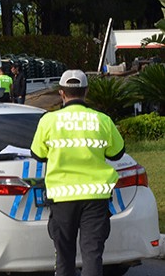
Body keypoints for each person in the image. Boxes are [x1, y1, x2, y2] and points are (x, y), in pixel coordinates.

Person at [30, 70, 125, 276]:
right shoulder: (102, 120)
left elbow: (38, 154)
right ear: (86, 92)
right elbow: (117, 153)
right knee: (92, 255)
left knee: (64, 256)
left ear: (62, 93)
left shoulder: (48, 121)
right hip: (95, 197)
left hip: (62, 197)